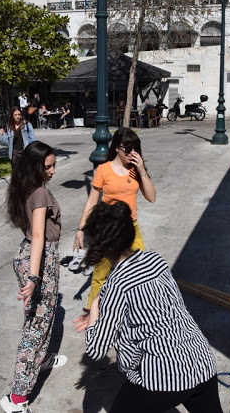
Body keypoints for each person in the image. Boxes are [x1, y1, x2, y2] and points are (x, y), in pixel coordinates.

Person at [76, 201, 222, 413]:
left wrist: (96, 307)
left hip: (166, 375)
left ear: (103, 247)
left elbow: (95, 350)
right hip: (201, 360)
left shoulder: (116, 285)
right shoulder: (156, 260)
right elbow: (153, 311)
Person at [1, 141, 68, 413]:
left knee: (41, 317)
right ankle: (17, 400)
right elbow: (39, 235)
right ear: (35, 166)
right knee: (35, 328)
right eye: (48, 166)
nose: (53, 170)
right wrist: (34, 277)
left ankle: (40, 359)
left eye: (53, 165)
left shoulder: (23, 187)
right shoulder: (39, 192)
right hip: (39, 258)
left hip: (27, 253)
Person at [72, 128, 156, 321]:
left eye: (134, 148)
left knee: (140, 268)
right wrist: (80, 229)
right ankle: (92, 314)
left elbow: (151, 197)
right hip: (108, 229)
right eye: (127, 148)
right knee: (100, 273)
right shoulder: (103, 170)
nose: (131, 152)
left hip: (130, 228)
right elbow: (92, 201)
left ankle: (137, 309)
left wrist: (142, 170)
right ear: (117, 148)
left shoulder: (136, 170)